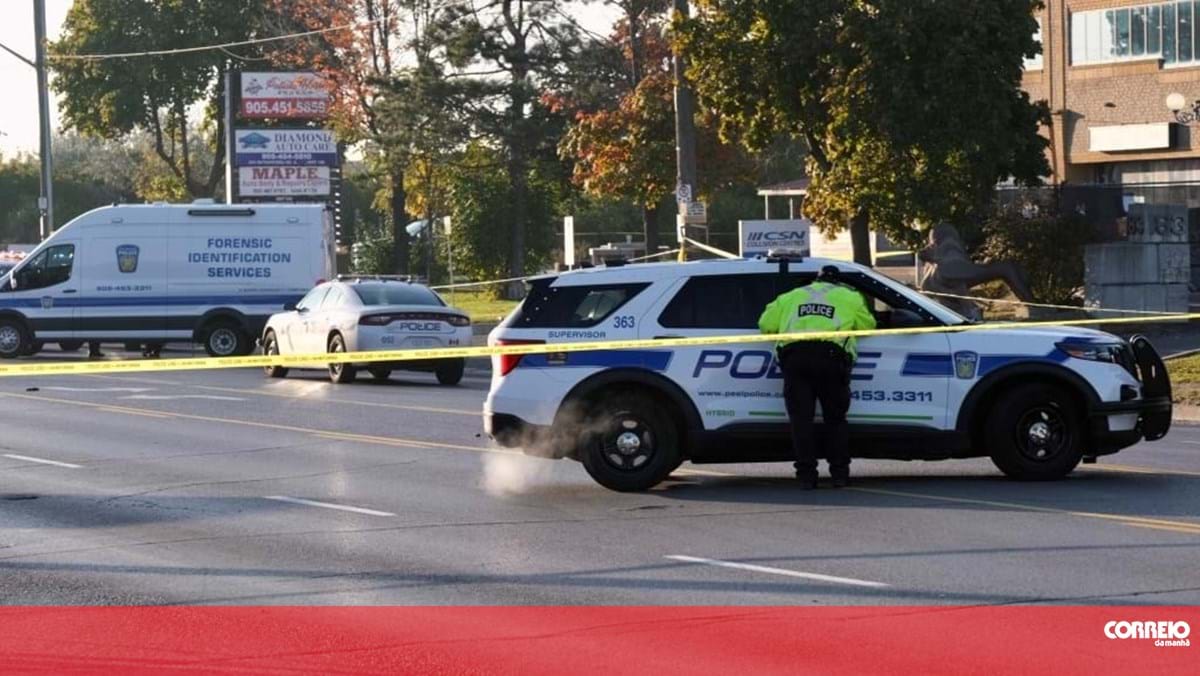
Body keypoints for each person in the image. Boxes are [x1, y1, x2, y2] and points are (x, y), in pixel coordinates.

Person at [758, 266, 876, 489]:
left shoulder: (790, 297)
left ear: (816, 280)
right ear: (838, 282)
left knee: (801, 421)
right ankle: (840, 474)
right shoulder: (849, 297)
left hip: (796, 359)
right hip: (831, 360)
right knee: (835, 420)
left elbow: (765, 325)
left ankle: (806, 477)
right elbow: (868, 326)